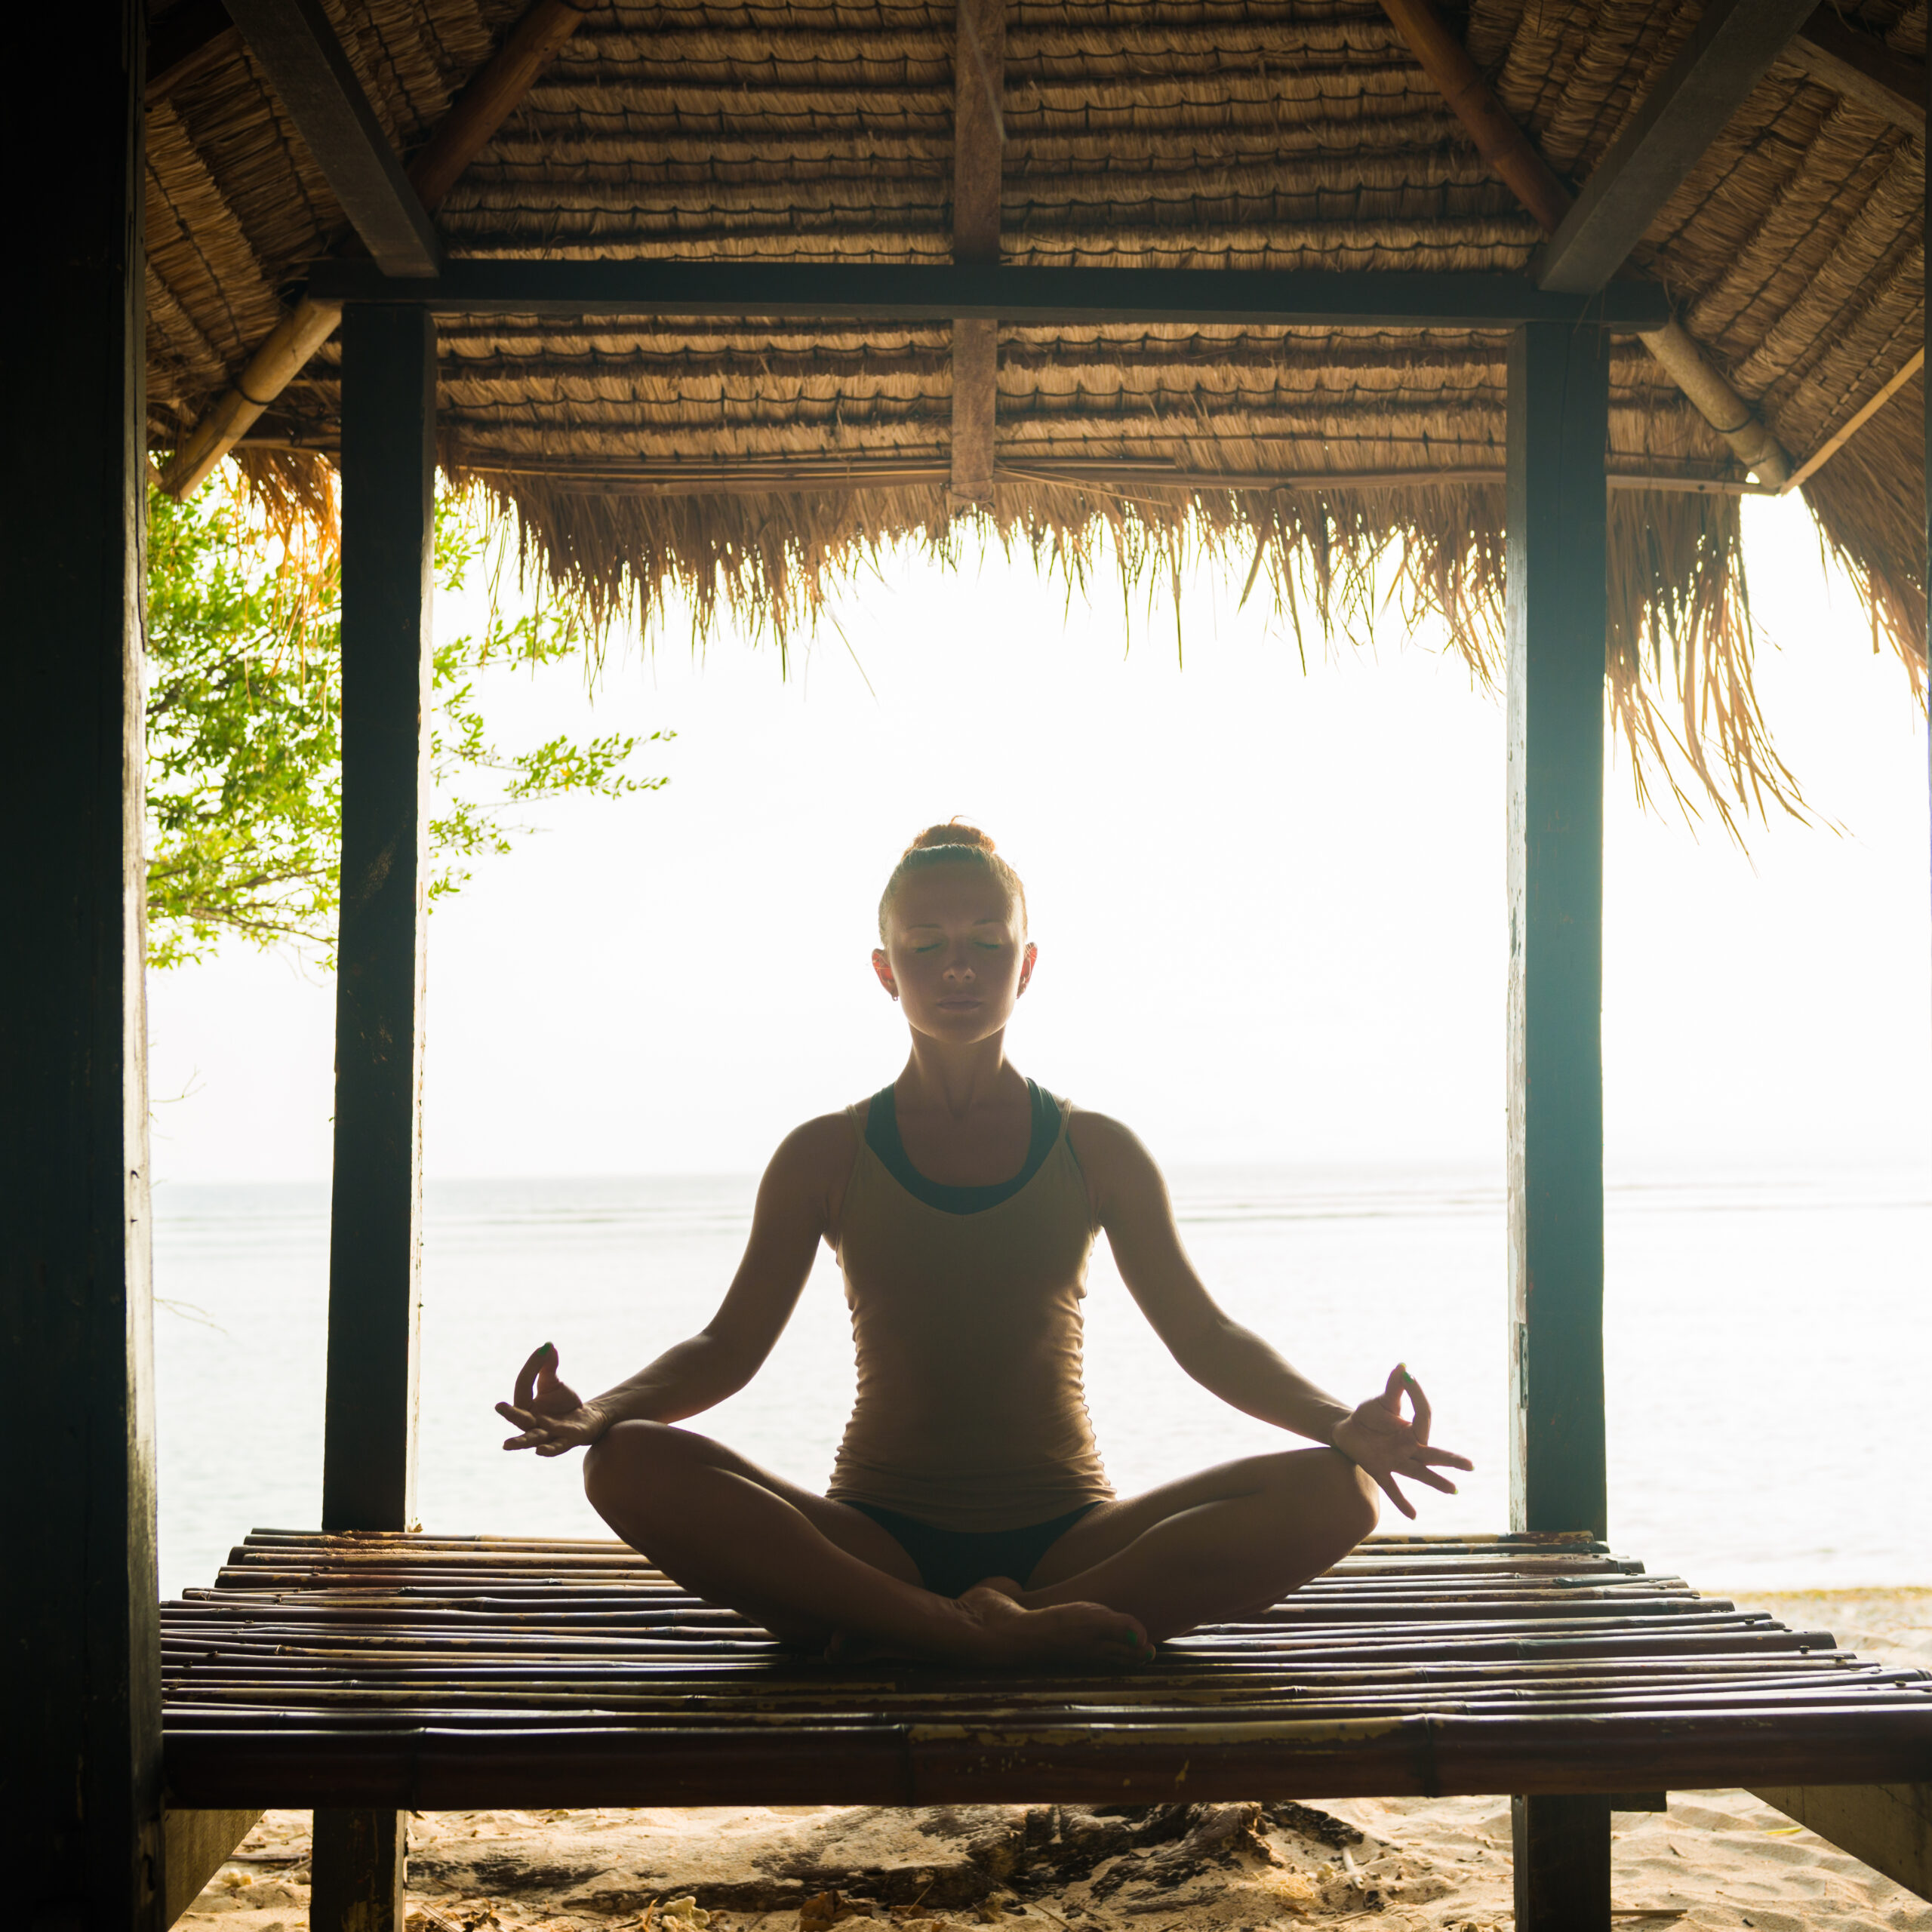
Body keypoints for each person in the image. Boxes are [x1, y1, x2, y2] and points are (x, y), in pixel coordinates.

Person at [497, 823, 1472, 1670]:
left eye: (983, 943)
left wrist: (1338, 1423)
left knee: (1339, 1496)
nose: (956, 967)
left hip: (1076, 1543)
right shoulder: (824, 1153)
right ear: (886, 970)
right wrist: (603, 1414)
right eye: (925, 947)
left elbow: (1206, 1335)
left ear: (1027, 964)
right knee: (625, 1466)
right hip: (872, 1539)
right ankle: (973, 1631)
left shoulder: (1098, 1149)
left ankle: (951, 1628)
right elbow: (727, 1348)